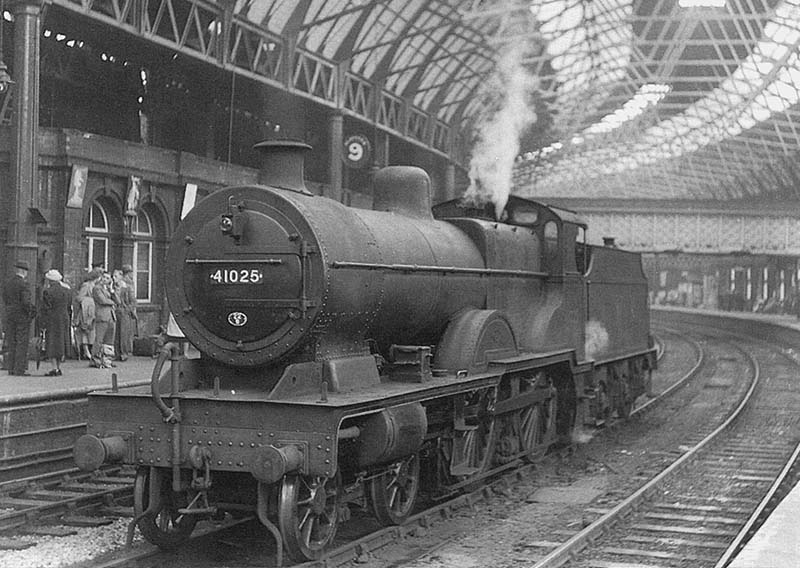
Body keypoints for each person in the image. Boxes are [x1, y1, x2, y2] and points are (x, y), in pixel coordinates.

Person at [2, 260, 35, 376]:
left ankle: (10, 368)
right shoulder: (24, 284)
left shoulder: (8, 283)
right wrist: (30, 312)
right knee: (21, 342)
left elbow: (5, 298)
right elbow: (26, 302)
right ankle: (19, 369)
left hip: (10, 315)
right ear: (24, 271)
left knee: (11, 341)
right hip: (21, 316)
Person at [41, 269, 72, 376]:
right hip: (64, 318)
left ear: (50, 280)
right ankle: (58, 367)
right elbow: (69, 306)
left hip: (53, 320)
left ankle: (54, 368)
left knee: (53, 343)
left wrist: (43, 322)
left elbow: (46, 308)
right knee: (61, 342)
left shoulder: (48, 292)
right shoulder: (66, 291)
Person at [91, 271, 118, 368]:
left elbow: (118, 301)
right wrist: (112, 302)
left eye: (107, 278)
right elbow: (102, 300)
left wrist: (112, 291)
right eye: (104, 277)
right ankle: (95, 360)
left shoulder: (109, 289)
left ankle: (107, 360)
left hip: (111, 316)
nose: (105, 280)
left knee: (109, 340)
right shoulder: (97, 288)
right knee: (99, 339)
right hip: (102, 316)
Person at [73, 270, 99, 360]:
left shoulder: (96, 286)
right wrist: (88, 301)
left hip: (94, 311)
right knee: (85, 330)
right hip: (86, 311)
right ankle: (86, 350)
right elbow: (79, 298)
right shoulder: (86, 285)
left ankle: (91, 350)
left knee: (92, 330)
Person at [113, 267, 135, 361]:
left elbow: (133, 301)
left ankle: (124, 353)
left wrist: (127, 310)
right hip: (115, 312)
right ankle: (117, 353)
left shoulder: (127, 288)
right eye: (113, 276)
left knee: (124, 333)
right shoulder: (112, 287)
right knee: (116, 334)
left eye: (116, 276)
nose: (114, 278)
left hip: (124, 312)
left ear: (121, 277)